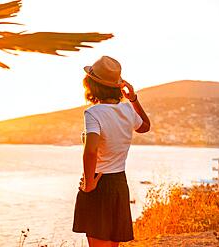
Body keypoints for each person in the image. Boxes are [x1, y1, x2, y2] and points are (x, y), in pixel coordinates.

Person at [72, 56, 150, 247]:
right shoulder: (128, 111)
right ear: (117, 86)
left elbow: (90, 150)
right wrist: (133, 100)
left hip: (98, 183)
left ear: (92, 85)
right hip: (118, 184)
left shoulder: (93, 113)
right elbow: (145, 126)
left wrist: (89, 183)